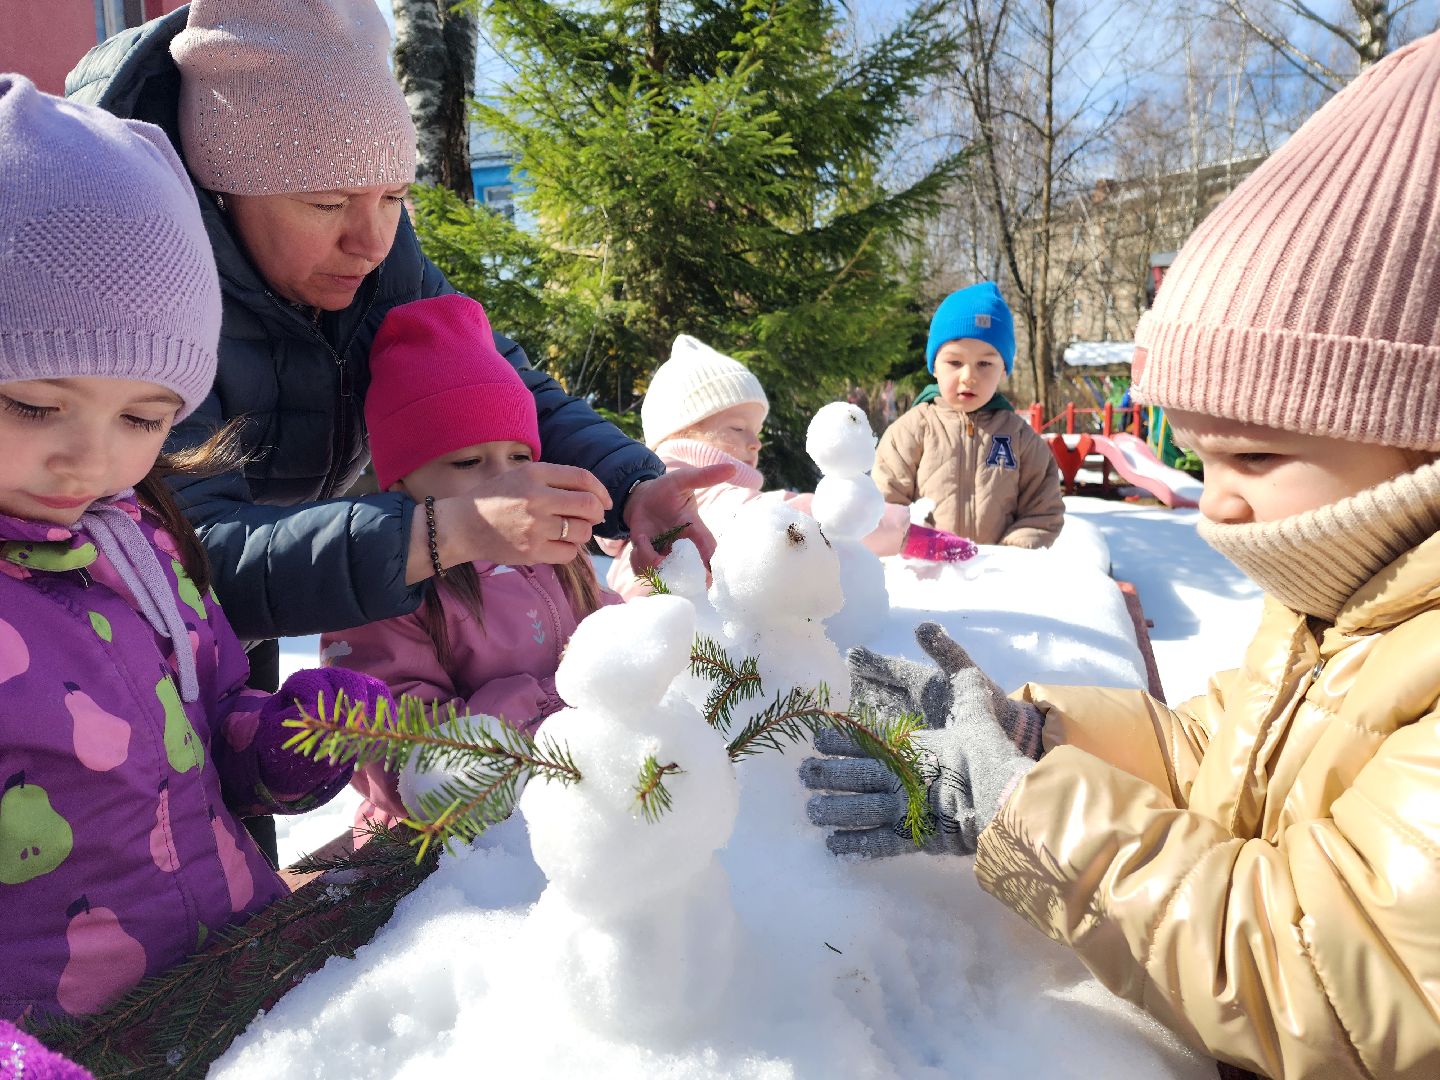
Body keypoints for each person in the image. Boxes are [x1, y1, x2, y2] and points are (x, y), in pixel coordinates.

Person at [802, 32, 1440, 1080]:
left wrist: (1028, 811)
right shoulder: (1344, 602)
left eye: (1258, 453)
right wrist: (1038, 732)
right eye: (1201, 450)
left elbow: (1330, 980)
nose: (1216, 499)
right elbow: (1216, 757)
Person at [64, 0, 726, 863]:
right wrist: (439, 532)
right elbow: (184, 558)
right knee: (181, 859)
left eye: (394, 196)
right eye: (327, 201)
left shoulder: (377, 246)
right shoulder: (137, 273)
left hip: (302, 567)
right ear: (220, 178)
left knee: (244, 855)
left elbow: (495, 379)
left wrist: (634, 483)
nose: (370, 240)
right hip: (120, 653)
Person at [0, 74, 392, 1022]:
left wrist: (295, 739)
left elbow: (215, 729)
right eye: (32, 404)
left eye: (144, 417)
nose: (94, 459)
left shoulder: (142, 548)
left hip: (237, 996)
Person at [319, 295, 620, 833]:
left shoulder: (554, 554)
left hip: (576, 799)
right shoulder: (387, 589)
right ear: (403, 479)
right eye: (468, 462)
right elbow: (398, 752)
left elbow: (602, 624)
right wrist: (556, 700)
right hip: (443, 845)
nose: (507, 482)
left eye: (521, 457)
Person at [599, 335, 911, 598]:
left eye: (757, 431)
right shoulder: (694, 490)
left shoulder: (648, 493)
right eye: (738, 428)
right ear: (683, 432)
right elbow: (791, 518)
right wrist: (903, 528)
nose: (755, 443)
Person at [872, 283, 1064, 549]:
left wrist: (1009, 556)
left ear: (1004, 370)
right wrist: (920, 545)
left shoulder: (1021, 439)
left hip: (995, 577)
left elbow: (1043, 511)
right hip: (925, 575)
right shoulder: (910, 431)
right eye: (954, 362)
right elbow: (884, 503)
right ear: (934, 366)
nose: (969, 376)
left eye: (984, 364)